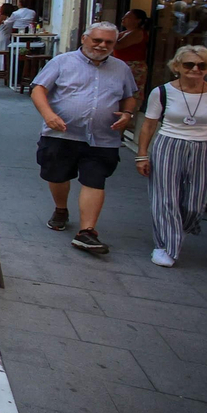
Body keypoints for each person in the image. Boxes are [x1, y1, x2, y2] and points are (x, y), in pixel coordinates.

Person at [29, 21, 139, 255]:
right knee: (57, 176)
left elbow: (129, 96)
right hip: (62, 133)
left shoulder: (121, 68)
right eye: (97, 40)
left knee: (95, 180)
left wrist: (128, 114)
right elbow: (38, 89)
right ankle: (61, 209)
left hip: (103, 137)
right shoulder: (62, 61)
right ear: (84, 39)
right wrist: (48, 115)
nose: (102, 45)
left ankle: (86, 232)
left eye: (108, 42)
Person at [135, 46, 207, 268]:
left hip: (206, 148)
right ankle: (165, 246)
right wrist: (142, 155)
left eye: (202, 65)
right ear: (177, 66)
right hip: (169, 144)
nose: (195, 69)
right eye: (189, 64)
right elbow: (149, 125)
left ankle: (176, 232)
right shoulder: (162, 92)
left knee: (194, 203)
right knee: (165, 198)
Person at [114, 8, 150, 97]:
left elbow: (118, 45)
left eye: (128, 17)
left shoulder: (137, 33)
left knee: (131, 93)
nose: (123, 19)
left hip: (133, 66)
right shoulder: (125, 32)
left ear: (138, 20)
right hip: (121, 64)